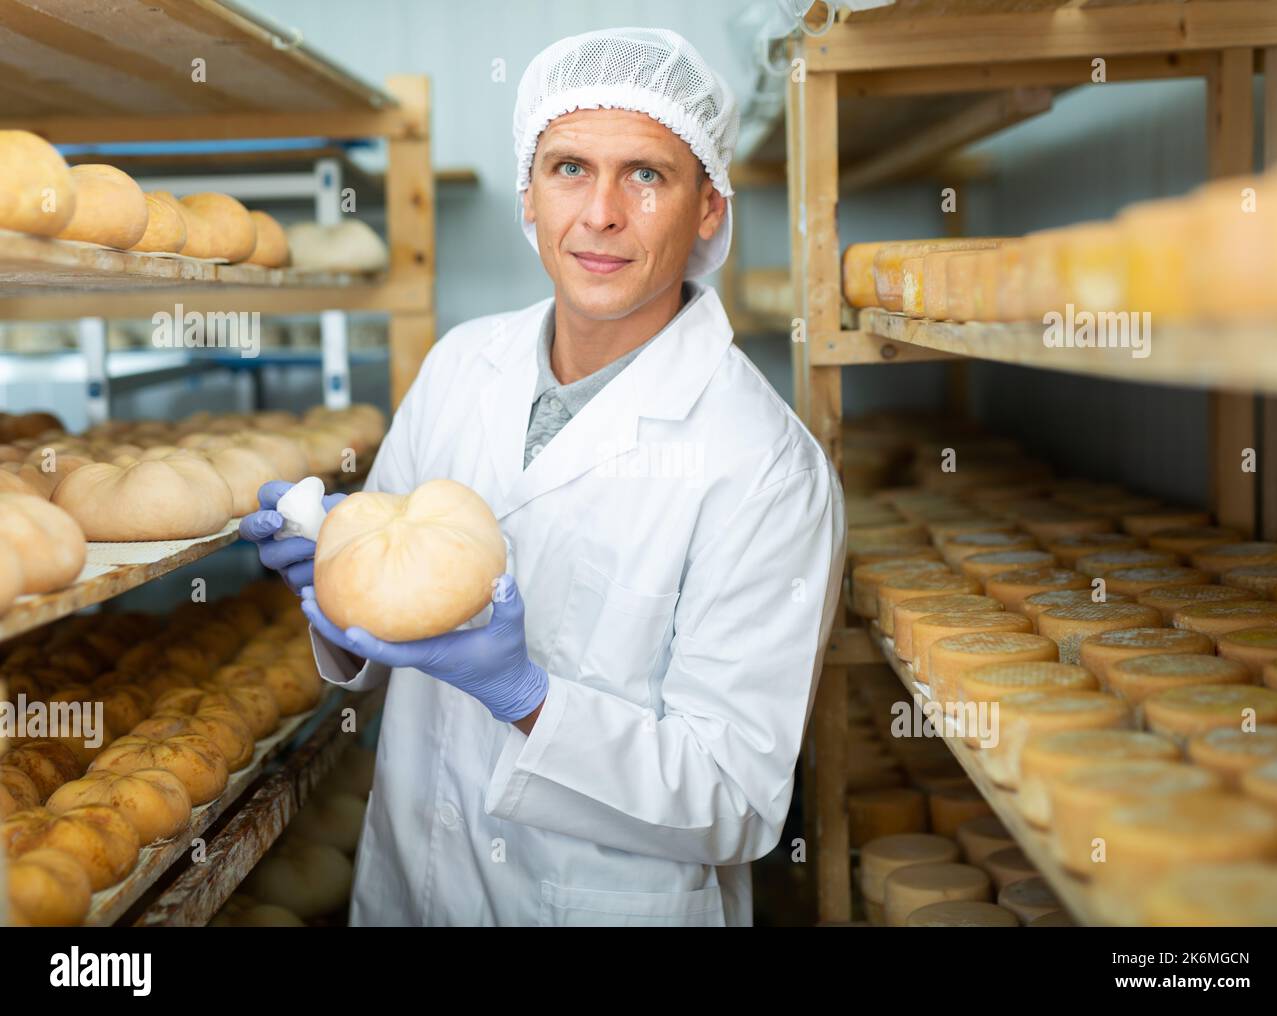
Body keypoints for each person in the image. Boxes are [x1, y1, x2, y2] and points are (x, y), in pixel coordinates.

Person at [240, 26, 845, 927]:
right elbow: (383, 646)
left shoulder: (765, 467)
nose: (599, 214)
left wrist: (528, 702)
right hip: (409, 883)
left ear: (710, 205)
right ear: (529, 193)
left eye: (646, 174)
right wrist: (337, 591)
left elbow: (737, 800)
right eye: (569, 168)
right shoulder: (459, 366)